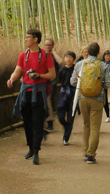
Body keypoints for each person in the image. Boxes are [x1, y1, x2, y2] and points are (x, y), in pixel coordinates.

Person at [9, 29, 56, 165]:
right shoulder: (23, 55)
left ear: (35, 39)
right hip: (26, 92)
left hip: (39, 92)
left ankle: (36, 151)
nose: (26, 39)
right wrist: (11, 79)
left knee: (37, 121)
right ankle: (30, 148)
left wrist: (39, 75)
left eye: (28, 37)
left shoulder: (46, 56)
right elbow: (18, 70)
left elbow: (52, 75)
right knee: (27, 122)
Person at [70, 42, 110, 164]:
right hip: (97, 99)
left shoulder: (80, 64)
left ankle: (85, 151)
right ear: (99, 52)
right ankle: (91, 155)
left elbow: (72, 82)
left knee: (86, 125)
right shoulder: (103, 65)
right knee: (95, 127)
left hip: (83, 98)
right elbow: (108, 84)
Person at [55, 51, 77, 145]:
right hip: (63, 93)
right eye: (66, 57)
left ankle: (66, 137)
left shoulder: (76, 69)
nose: (68, 59)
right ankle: (66, 125)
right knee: (60, 114)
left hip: (73, 93)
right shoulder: (61, 70)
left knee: (71, 115)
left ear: (73, 59)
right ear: (64, 59)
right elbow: (59, 81)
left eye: (70, 57)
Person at [44, 38, 62, 133]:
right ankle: (46, 123)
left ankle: (50, 124)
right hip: (43, 82)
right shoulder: (42, 55)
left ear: (53, 46)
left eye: (50, 45)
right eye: (46, 45)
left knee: (50, 101)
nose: (48, 47)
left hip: (52, 82)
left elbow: (60, 62)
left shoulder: (54, 56)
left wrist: (54, 52)